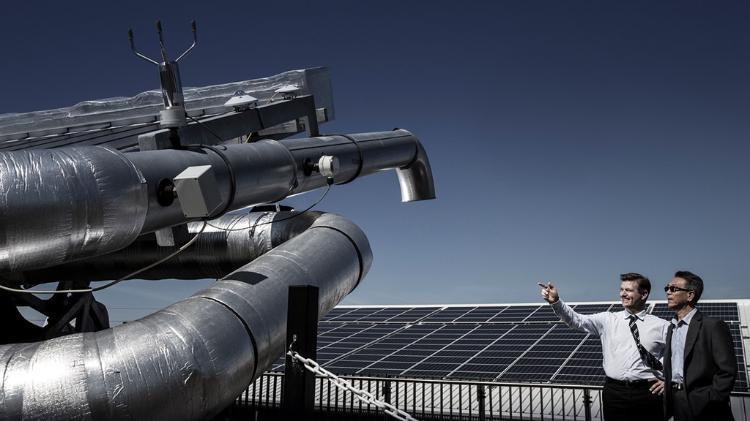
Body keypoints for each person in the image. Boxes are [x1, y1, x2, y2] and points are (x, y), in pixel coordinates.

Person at [540, 273, 669, 421]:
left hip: (649, 393)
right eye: (621, 290)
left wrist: (670, 381)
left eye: (628, 290)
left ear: (644, 294)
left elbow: (680, 357)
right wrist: (556, 302)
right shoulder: (608, 320)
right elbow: (576, 320)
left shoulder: (662, 326)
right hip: (614, 393)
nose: (623, 294)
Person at [663, 271, 736, 421]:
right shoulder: (672, 327)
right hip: (677, 402)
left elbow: (727, 371)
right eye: (667, 288)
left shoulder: (712, 326)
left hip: (706, 406)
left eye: (674, 289)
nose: (668, 293)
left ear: (690, 295)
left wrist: (710, 399)